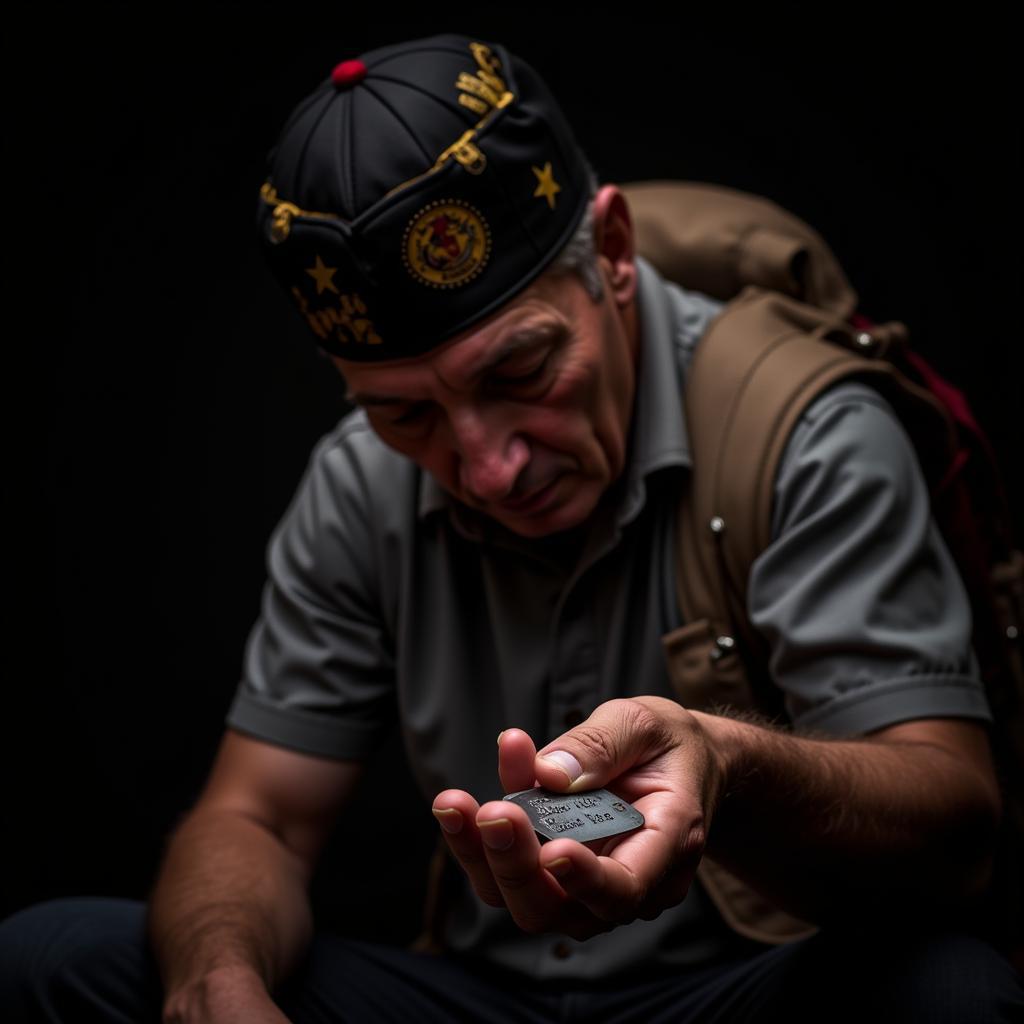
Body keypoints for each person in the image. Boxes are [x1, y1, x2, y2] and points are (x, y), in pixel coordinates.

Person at [2, 32, 1021, 1023]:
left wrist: (727, 762)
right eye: (407, 413)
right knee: (50, 958)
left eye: (521, 371)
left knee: (947, 992)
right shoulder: (359, 484)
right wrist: (215, 985)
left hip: (746, 989)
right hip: (477, 995)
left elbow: (953, 823)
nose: (486, 466)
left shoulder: (806, 430)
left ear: (611, 254)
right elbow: (256, 816)